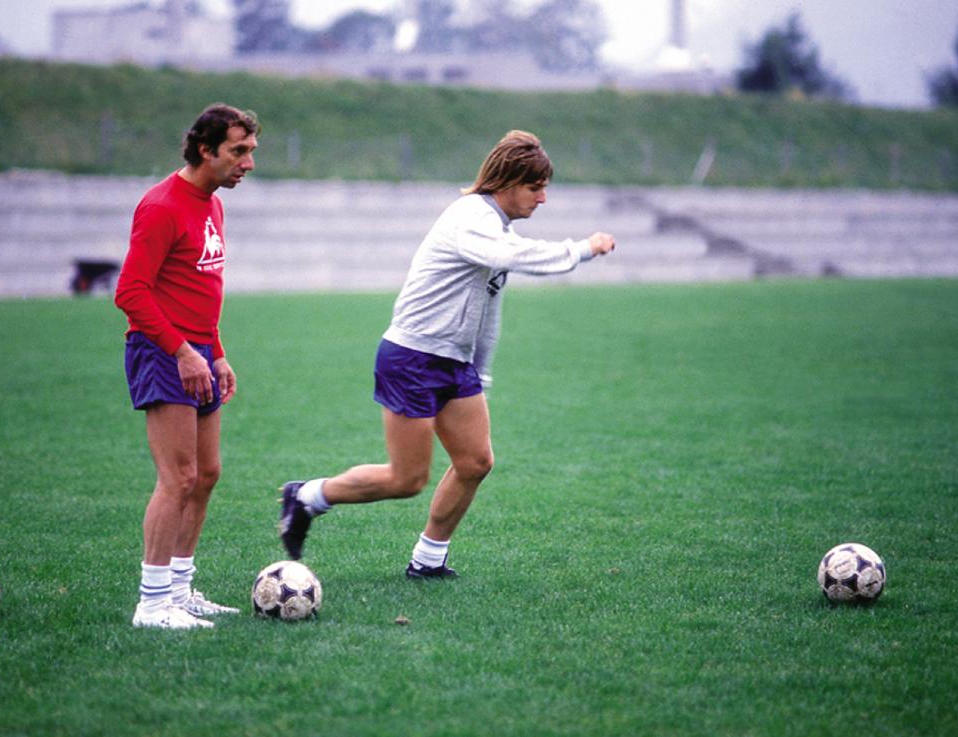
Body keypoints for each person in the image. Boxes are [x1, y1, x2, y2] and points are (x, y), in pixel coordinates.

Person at [279, 130, 615, 578]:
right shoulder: (471, 217)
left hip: (455, 364)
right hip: (412, 357)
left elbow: (489, 311)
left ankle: (428, 561)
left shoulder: (497, 227)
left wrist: (480, 375)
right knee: (407, 480)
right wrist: (581, 250)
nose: (544, 198)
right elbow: (513, 257)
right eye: (536, 188)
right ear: (507, 182)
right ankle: (306, 497)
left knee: (476, 462)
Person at [114, 104, 259, 629]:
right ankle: (151, 604)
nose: (247, 163)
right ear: (206, 149)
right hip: (162, 351)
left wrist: (215, 352)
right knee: (177, 477)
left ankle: (179, 589)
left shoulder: (213, 206)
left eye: (251, 152)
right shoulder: (161, 206)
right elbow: (130, 291)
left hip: (197, 351)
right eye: (238, 151)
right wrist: (182, 351)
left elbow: (202, 292)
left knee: (206, 475)